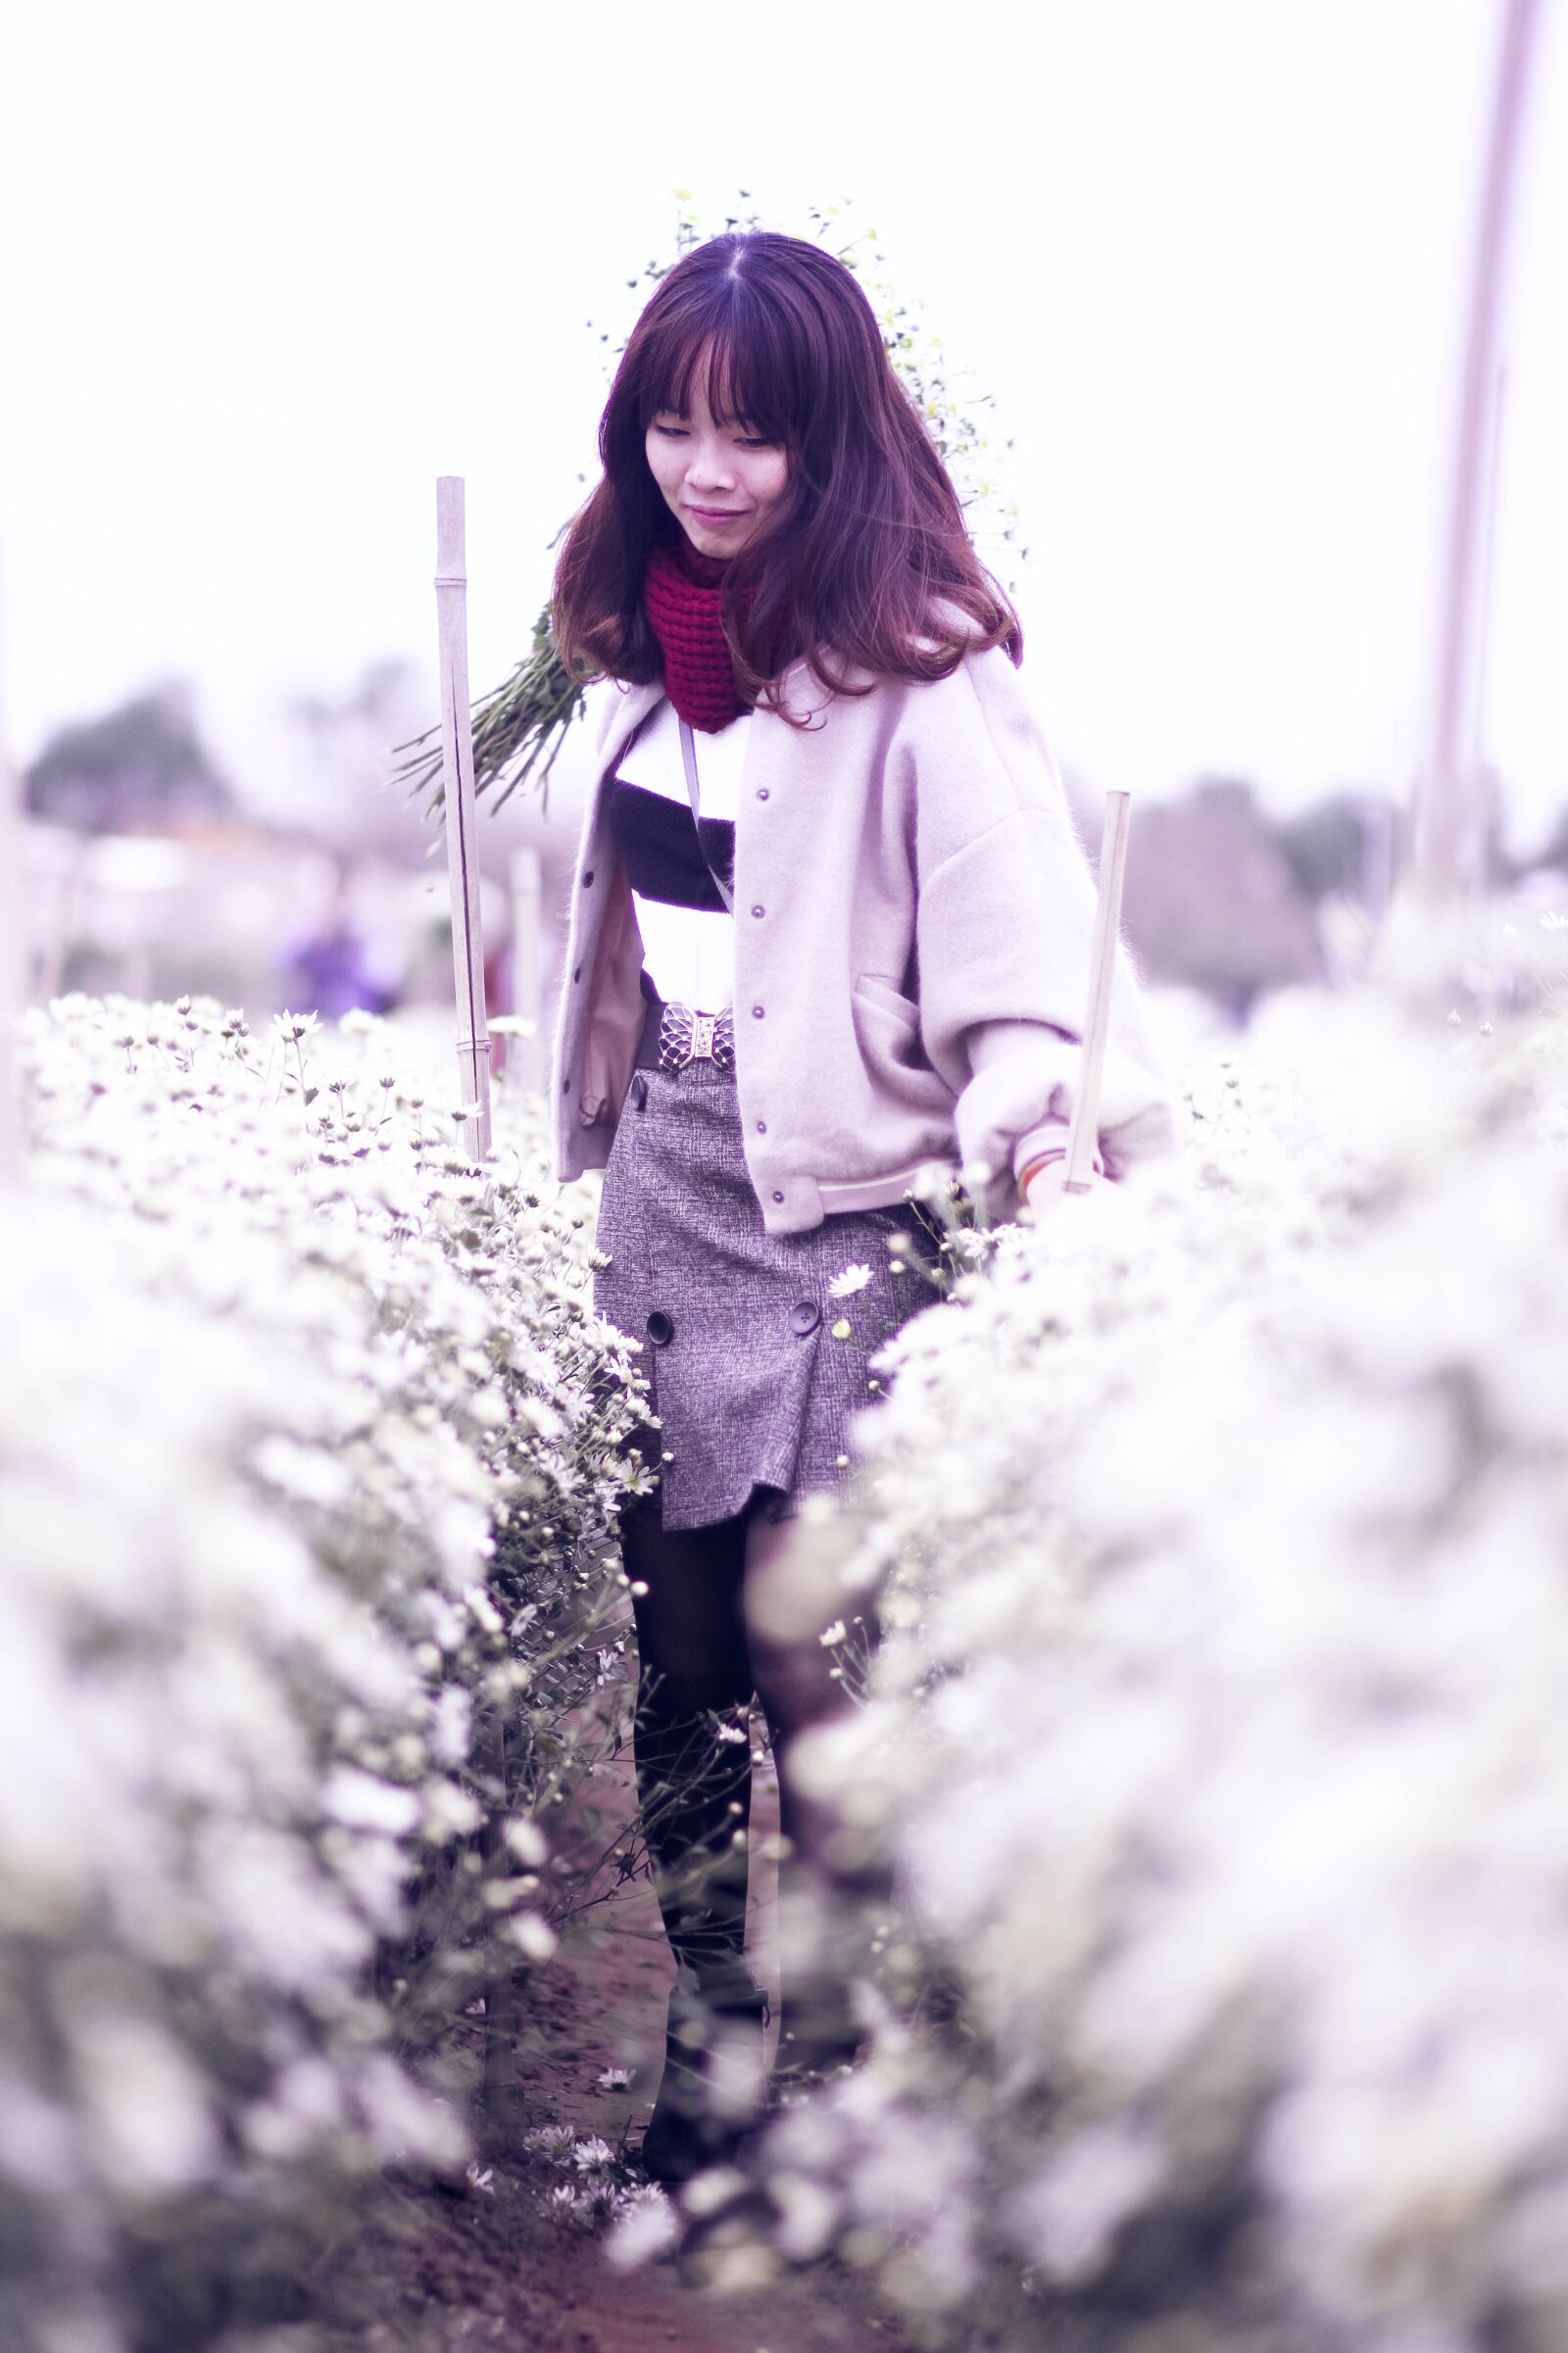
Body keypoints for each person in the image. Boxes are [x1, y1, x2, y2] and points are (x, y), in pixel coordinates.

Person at [548, 231, 1176, 2185]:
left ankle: (832, 2065)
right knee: (675, 1663)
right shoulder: (619, 656)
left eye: (751, 432)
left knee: (814, 1662)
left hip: (838, 1222)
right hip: (665, 1196)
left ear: (833, 443)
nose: (707, 470)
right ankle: (700, 2057)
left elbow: (1015, 972)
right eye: (673, 423)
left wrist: (1042, 1143)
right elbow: (611, 940)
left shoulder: (919, 674)